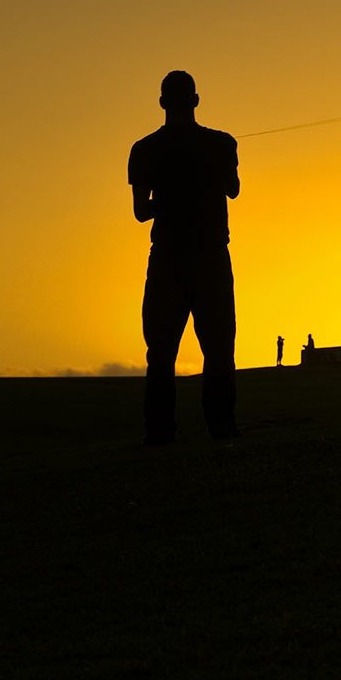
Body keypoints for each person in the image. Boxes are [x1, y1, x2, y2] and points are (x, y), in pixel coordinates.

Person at [129, 71, 239, 444]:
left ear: (162, 103)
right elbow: (234, 190)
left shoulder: (144, 149)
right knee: (218, 347)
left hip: (169, 260)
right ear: (195, 101)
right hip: (208, 257)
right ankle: (221, 429)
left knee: (161, 351)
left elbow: (141, 212)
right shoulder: (221, 144)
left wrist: (171, 196)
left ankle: (160, 434)